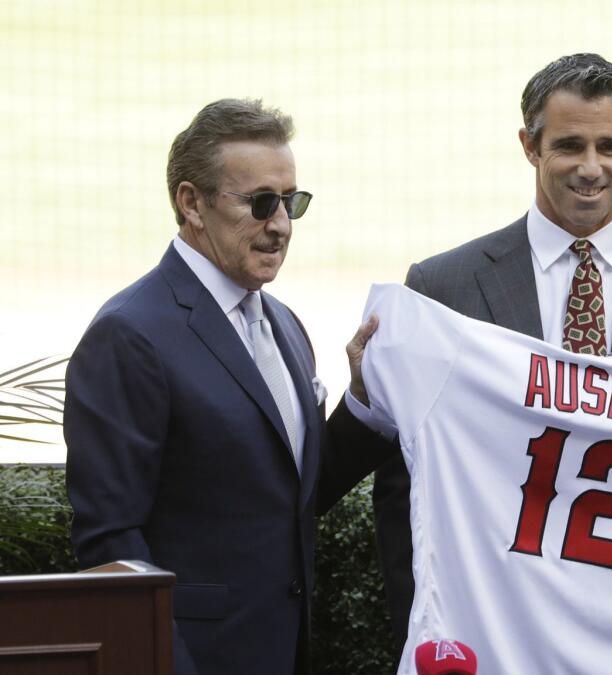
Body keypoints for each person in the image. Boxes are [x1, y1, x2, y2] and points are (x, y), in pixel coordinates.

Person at [369, 52, 612, 657]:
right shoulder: (443, 288)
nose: (591, 169)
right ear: (529, 145)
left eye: (610, 147)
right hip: (489, 631)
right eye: (569, 145)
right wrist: (426, 619)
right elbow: (400, 480)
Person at [64, 98, 397, 675]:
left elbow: (291, 496)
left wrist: (363, 401)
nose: (281, 225)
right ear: (191, 203)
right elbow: (109, 545)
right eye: (260, 203)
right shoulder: (128, 335)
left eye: (291, 202)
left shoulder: (285, 324)